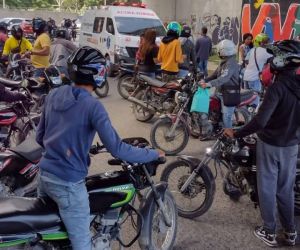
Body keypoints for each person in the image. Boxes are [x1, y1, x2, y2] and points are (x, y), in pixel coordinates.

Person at [36, 46, 162, 250]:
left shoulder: (54, 95)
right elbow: (117, 149)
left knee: (55, 235)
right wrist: (152, 153)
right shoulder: (93, 107)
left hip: (44, 177)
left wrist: (69, 148)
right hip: (68, 184)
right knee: (82, 244)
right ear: (95, 73)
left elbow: (41, 137)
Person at [224, 40, 300, 247]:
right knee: (285, 190)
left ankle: (269, 231)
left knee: (266, 187)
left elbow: (260, 121)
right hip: (292, 146)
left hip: (271, 144)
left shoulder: (277, 88)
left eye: (273, 58)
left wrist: (237, 133)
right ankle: (291, 232)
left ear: (281, 61)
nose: (270, 61)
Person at [199, 39, 240, 131]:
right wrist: (203, 80)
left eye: (219, 50)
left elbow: (224, 78)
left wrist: (209, 84)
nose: (218, 52)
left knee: (226, 118)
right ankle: (214, 127)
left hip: (229, 95)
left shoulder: (231, 63)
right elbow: (214, 75)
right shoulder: (224, 62)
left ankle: (228, 137)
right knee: (211, 106)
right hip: (220, 92)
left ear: (223, 51)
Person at [243, 33, 272, 107]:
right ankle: (252, 116)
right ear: (260, 42)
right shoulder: (266, 52)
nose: (267, 44)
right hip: (255, 78)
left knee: (246, 99)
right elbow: (274, 60)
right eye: (266, 42)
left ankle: (246, 115)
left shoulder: (253, 50)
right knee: (254, 100)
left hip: (246, 76)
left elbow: (246, 60)